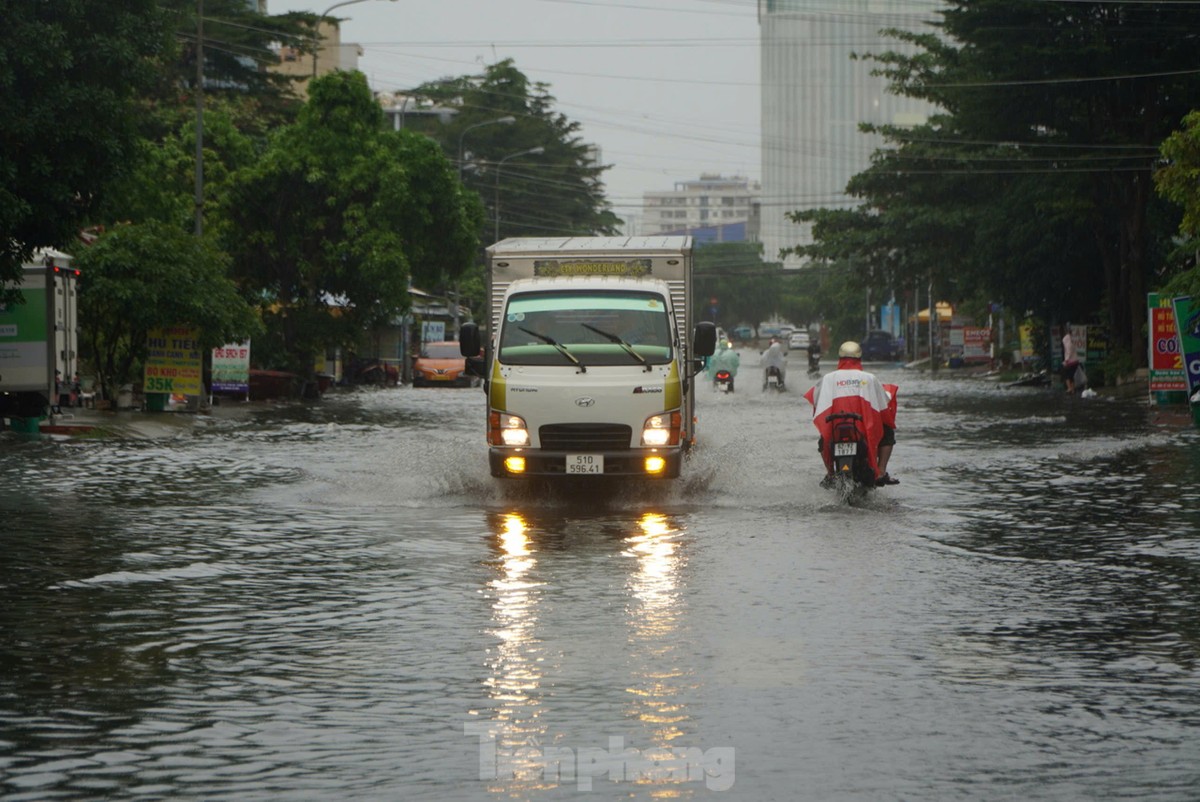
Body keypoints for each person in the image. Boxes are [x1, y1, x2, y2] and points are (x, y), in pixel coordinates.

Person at [804, 340, 899, 486]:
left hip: (835, 426)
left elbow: (816, 401)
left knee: (824, 439)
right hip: (863, 427)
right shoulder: (869, 378)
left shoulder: (828, 378)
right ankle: (880, 472)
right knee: (888, 432)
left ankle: (830, 473)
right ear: (859, 359)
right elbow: (883, 404)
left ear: (840, 359)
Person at [1061, 325, 1079, 394]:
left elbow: (1068, 349)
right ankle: (1073, 389)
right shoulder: (1072, 338)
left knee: (1066, 374)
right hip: (1075, 360)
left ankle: (1069, 388)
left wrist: (1066, 360)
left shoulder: (1066, 338)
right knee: (1071, 375)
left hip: (1070, 361)